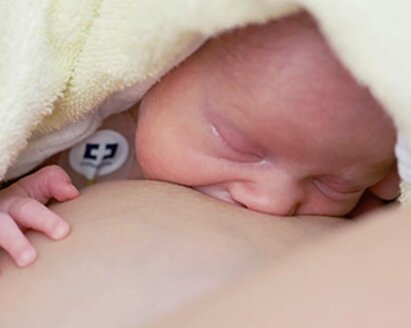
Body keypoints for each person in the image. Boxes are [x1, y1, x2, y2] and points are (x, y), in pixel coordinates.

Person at [0, 12, 399, 268]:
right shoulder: (60, 124)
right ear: (166, 65)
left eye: (331, 183)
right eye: (241, 146)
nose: (273, 202)